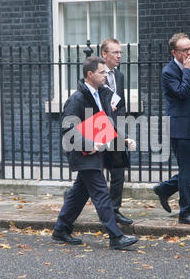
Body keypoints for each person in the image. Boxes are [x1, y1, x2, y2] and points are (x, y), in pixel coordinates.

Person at [52, 56, 138, 250]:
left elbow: (105, 123)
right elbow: (68, 130)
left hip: (97, 151)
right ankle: (115, 236)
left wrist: (121, 139)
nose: (106, 76)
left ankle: (60, 229)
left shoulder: (102, 94)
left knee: (79, 193)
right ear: (89, 75)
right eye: (102, 72)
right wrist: (87, 145)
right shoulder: (76, 99)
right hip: (84, 153)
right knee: (100, 193)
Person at [153, 33, 190, 225]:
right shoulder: (169, 72)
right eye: (185, 50)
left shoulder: (187, 69)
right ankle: (185, 213)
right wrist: (187, 71)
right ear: (174, 52)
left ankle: (165, 188)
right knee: (186, 170)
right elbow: (182, 93)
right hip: (179, 128)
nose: (189, 53)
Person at [100, 38, 133, 225]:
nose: (119, 55)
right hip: (99, 128)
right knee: (94, 171)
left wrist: (122, 129)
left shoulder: (119, 76)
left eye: (120, 52)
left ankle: (115, 210)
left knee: (118, 170)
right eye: (115, 52)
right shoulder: (96, 74)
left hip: (117, 129)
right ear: (104, 54)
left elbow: (121, 104)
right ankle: (72, 197)